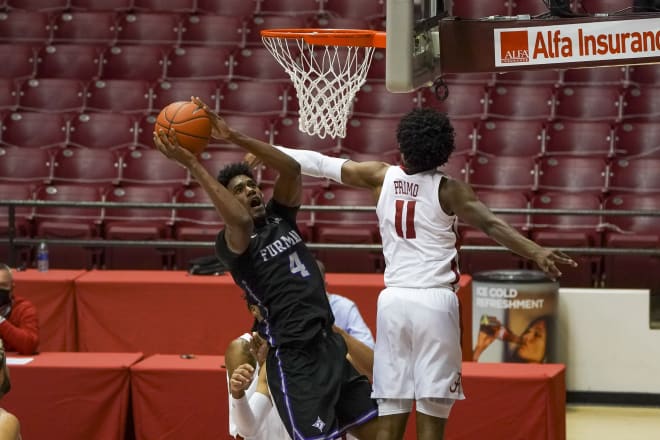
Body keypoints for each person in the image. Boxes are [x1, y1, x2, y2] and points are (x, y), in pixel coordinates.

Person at [267, 107, 578, 440]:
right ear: (443, 150)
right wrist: (536, 251)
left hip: (393, 302)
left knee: (391, 417)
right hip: (434, 302)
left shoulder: (379, 176)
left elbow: (320, 163)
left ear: (403, 144)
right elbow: (491, 224)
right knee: (432, 416)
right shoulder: (450, 190)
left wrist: (268, 149)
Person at [154, 97, 380, 440]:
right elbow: (241, 221)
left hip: (328, 346)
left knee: (385, 432)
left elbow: (290, 169)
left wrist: (233, 136)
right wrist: (193, 164)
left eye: (252, 186)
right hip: (294, 360)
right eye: (239, 191)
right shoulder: (233, 244)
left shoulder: (281, 218)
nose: (250, 192)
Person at [317, 260, 375, 349]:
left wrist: (340, 337)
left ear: (325, 285)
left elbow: (368, 349)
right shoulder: (290, 308)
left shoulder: (344, 307)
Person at [0, 264, 39, 355]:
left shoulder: (24, 309)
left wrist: (1, 322)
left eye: (3, 285)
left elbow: (29, 346)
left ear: (12, 287)